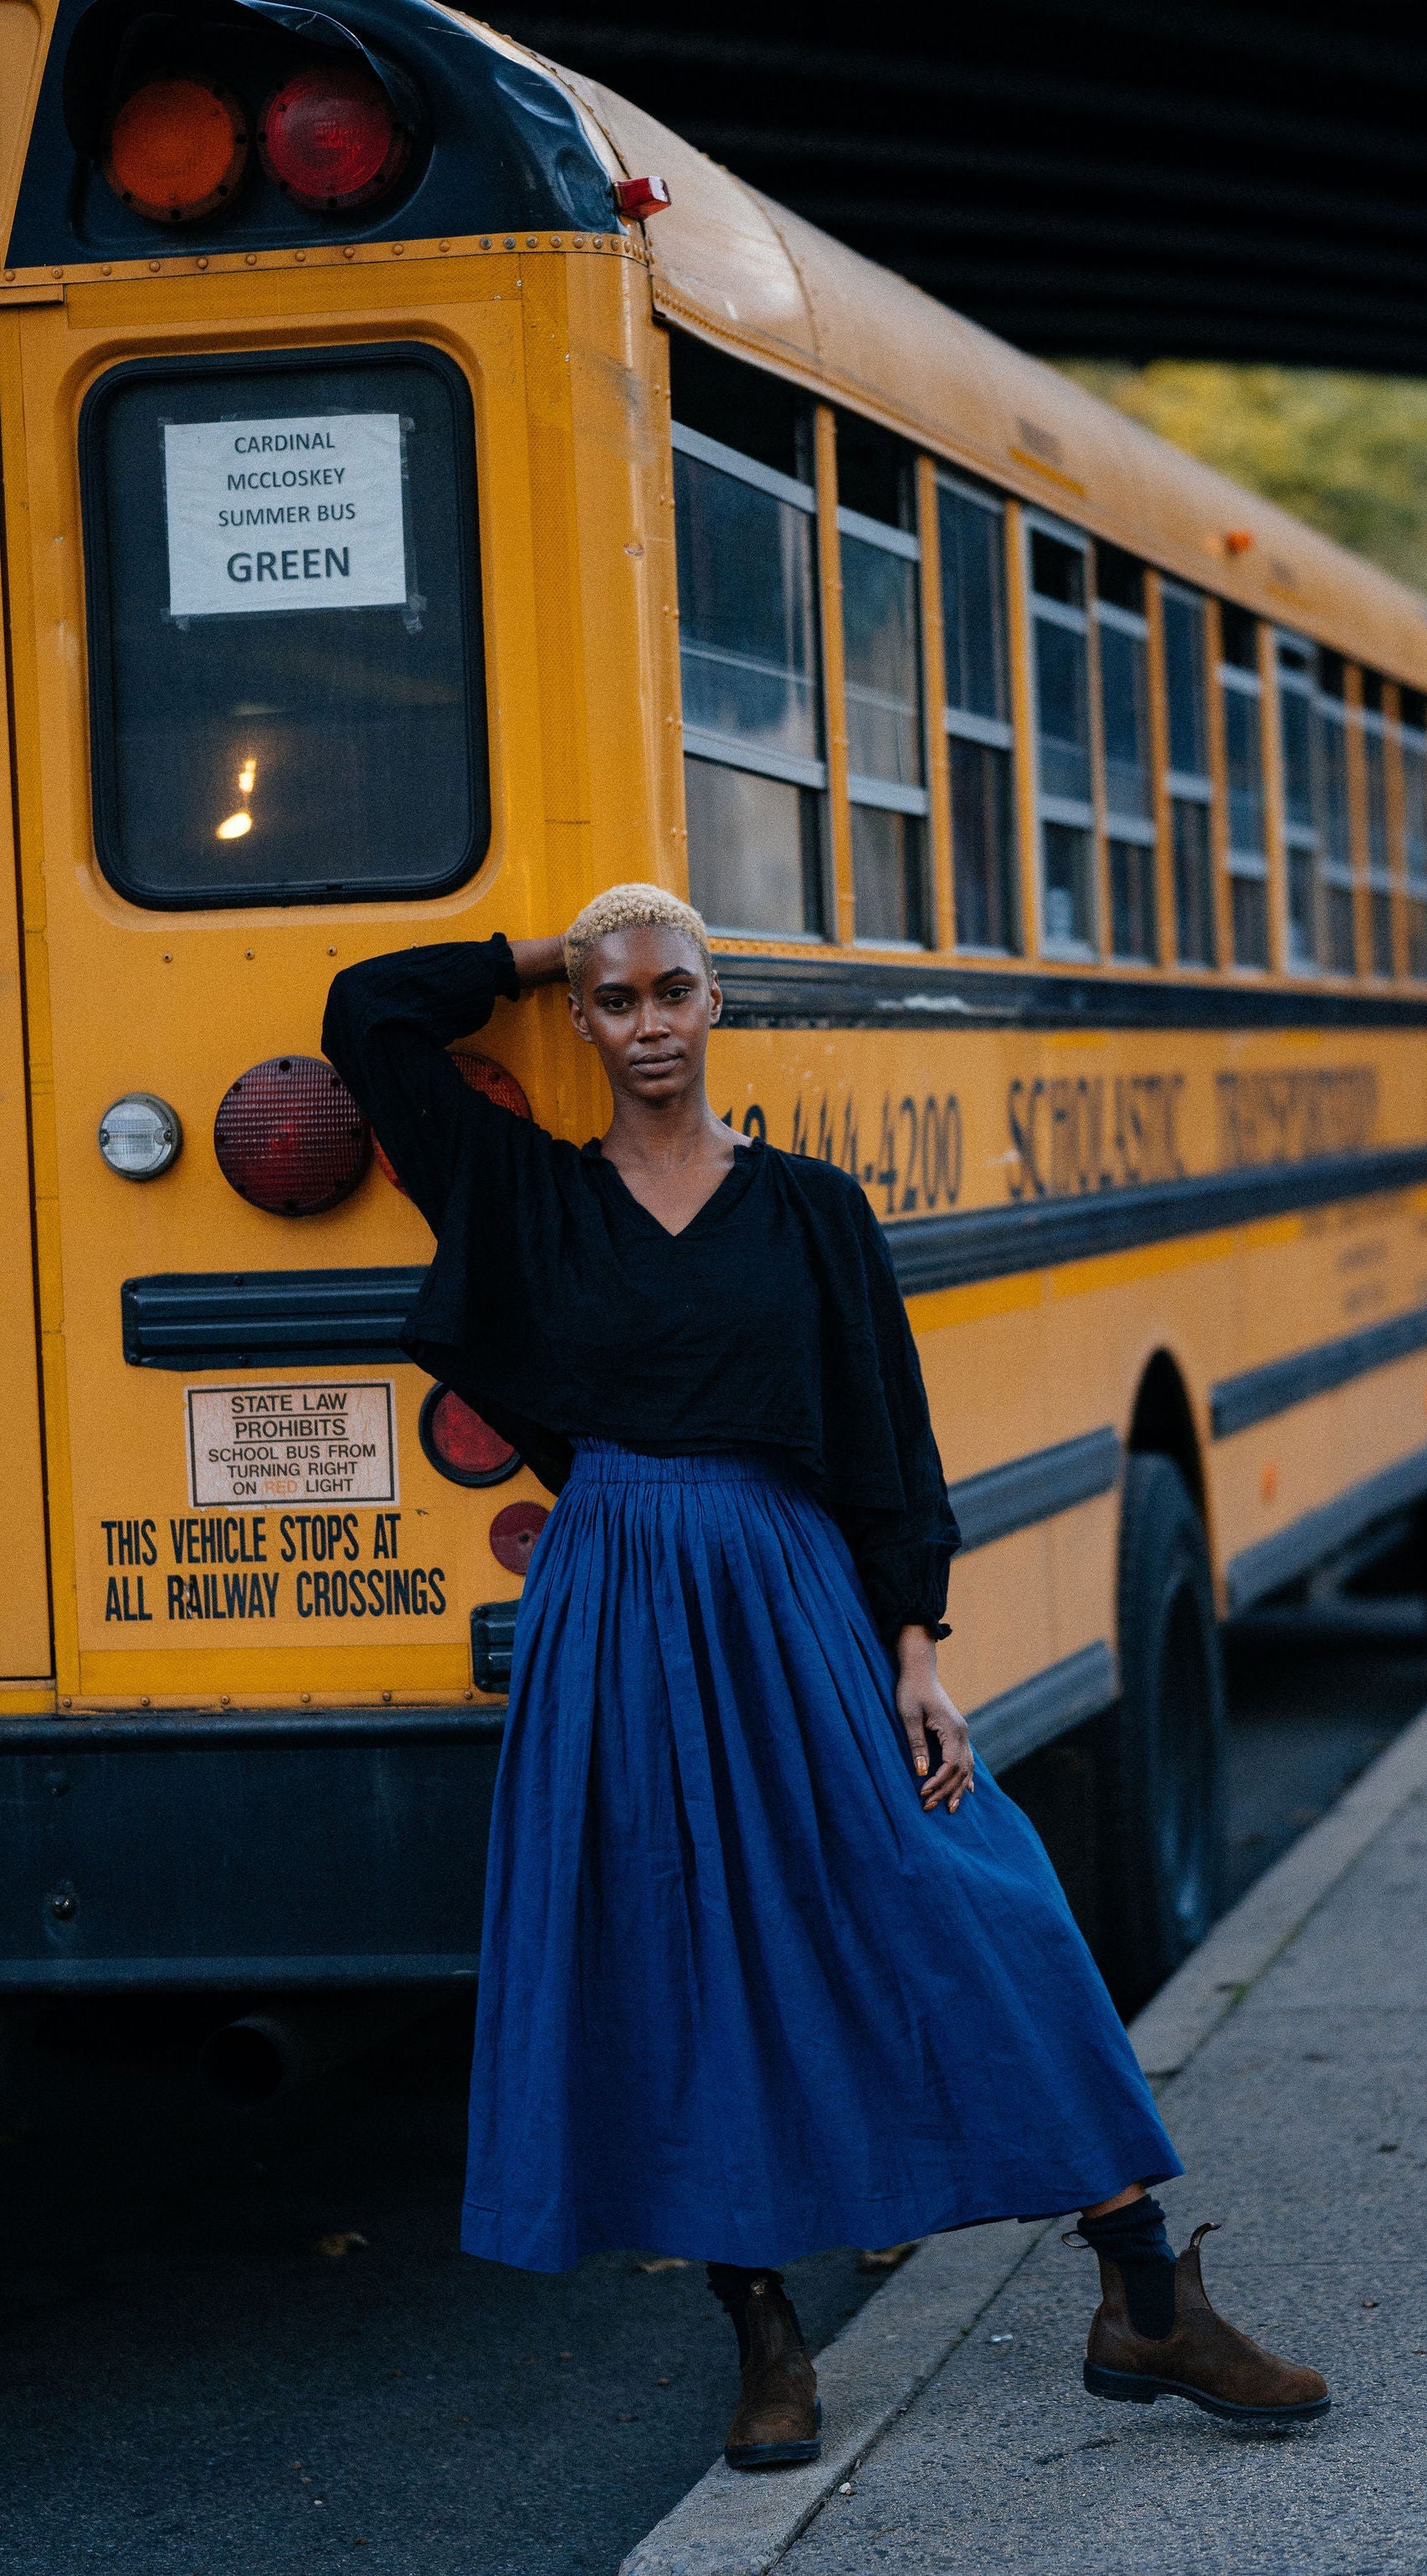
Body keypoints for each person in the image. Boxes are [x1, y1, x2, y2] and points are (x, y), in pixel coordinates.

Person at [323, 885, 1328, 2464]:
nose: (648, 1024)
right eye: (615, 999)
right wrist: (544, 948)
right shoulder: (522, 1192)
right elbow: (367, 1012)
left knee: (971, 1896)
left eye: (673, 988)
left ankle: (1145, 2295)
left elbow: (884, 1437)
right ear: (580, 1023)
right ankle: (763, 2334)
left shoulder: (809, 1210)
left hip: (797, 1588)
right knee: (680, 1950)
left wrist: (917, 1651)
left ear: (717, 1003)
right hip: (619, 1600)